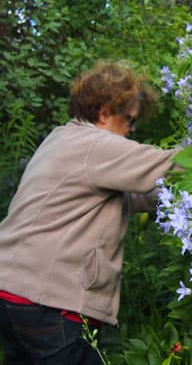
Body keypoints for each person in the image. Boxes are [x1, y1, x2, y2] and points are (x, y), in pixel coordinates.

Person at [0, 60, 181, 364]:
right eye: (129, 120)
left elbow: (138, 194)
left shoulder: (62, 140)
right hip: (49, 303)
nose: (132, 130)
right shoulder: (95, 145)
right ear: (105, 112)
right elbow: (168, 165)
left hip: (12, 293)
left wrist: (188, 199)